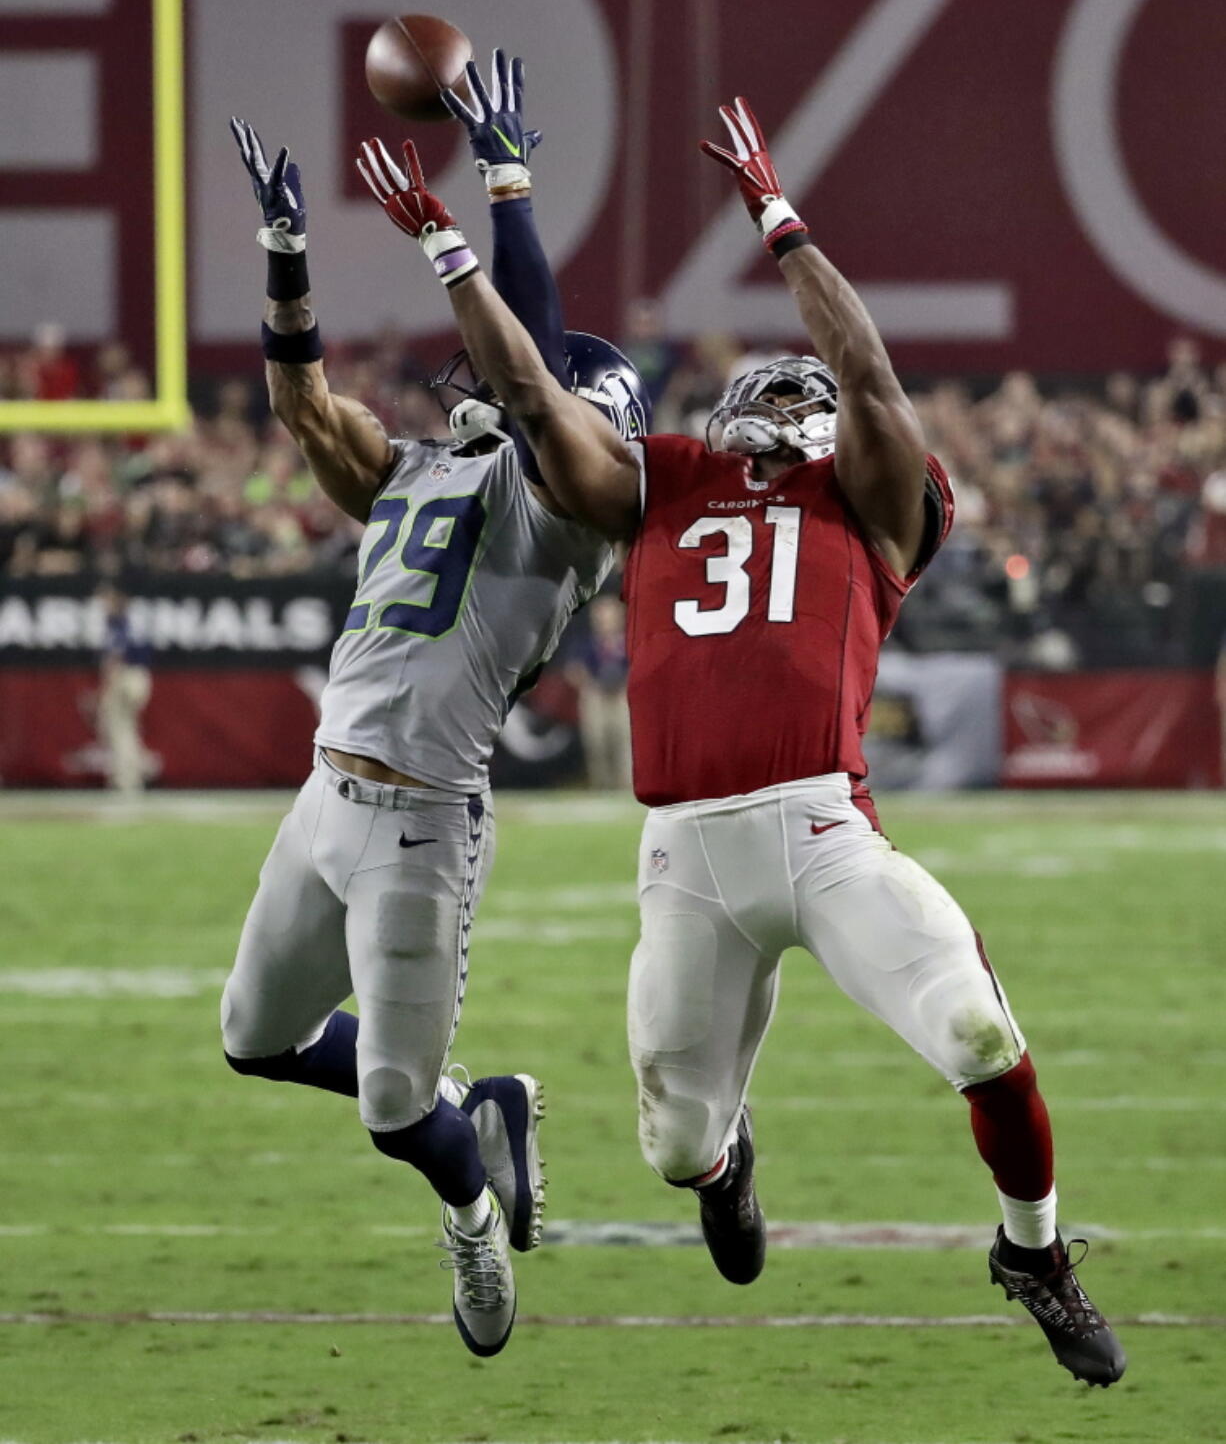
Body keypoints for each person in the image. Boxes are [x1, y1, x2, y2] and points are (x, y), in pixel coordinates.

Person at [377, 96, 1126, 1386]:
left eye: (805, 389)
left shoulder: (875, 504)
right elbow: (529, 394)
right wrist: (454, 244)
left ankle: (1032, 1254)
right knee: (674, 1147)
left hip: (826, 832)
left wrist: (777, 219)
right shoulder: (663, 477)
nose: (783, 402)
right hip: (682, 854)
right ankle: (726, 1169)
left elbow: (874, 379)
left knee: (979, 1042)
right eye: (766, 386)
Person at [221, 52, 645, 1358]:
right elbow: (300, 403)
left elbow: (527, 387)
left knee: (394, 1109)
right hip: (325, 794)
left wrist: (491, 199)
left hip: (419, 826)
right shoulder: (414, 469)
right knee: (251, 1036)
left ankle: (469, 1211)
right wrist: (285, 252)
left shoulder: (584, 510)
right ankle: (492, 1101)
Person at [564, 595, 632, 790]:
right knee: (597, 743)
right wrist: (589, 683)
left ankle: (626, 785)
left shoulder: (628, 641)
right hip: (596, 695)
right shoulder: (585, 642)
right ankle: (602, 785)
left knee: (625, 742)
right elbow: (573, 670)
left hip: (621, 695)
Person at [97, 584, 153, 794]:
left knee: (118, 729)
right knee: (128, 728)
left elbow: (116, 655)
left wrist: (107, 683)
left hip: (126, 676)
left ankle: (127, 778)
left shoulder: (117, 622)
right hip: (142, 677)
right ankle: (136, 772)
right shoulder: (136, 621)